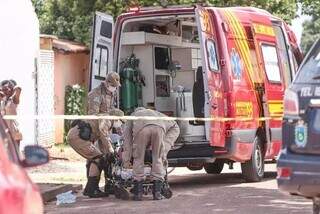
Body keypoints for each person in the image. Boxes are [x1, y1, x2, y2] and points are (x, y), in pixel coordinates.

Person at [122, 107, 180, 201]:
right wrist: (164, 147)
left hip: (141, 129)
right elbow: (176, 127)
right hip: (159, 127)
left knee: (138, 158)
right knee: (157, 158)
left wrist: (126, 160)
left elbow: (127, 141)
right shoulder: (157, 113)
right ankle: (157, 192)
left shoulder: (133, 116)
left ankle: (138, 193)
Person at [67, 109, 124, 198]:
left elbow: (102, 141)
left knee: (99, 157)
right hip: (78, 138)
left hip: (76, 136)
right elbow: (104, 135)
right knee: (98, 159)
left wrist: (108, 154)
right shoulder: (107, 120)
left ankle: (91, 188)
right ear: (116, 118)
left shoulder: (103, 118)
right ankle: (91, 189)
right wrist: (111, 151)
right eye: (121, 121)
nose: (120, 125)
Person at [0, 80, 22, 147]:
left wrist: (11, 88)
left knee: (15, 155)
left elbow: (18, 88)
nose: (8, 90)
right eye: (5, 89)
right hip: (3, 132)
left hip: (13, 131)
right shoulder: (2, 100)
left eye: (9, 88)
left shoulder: (14, 100)